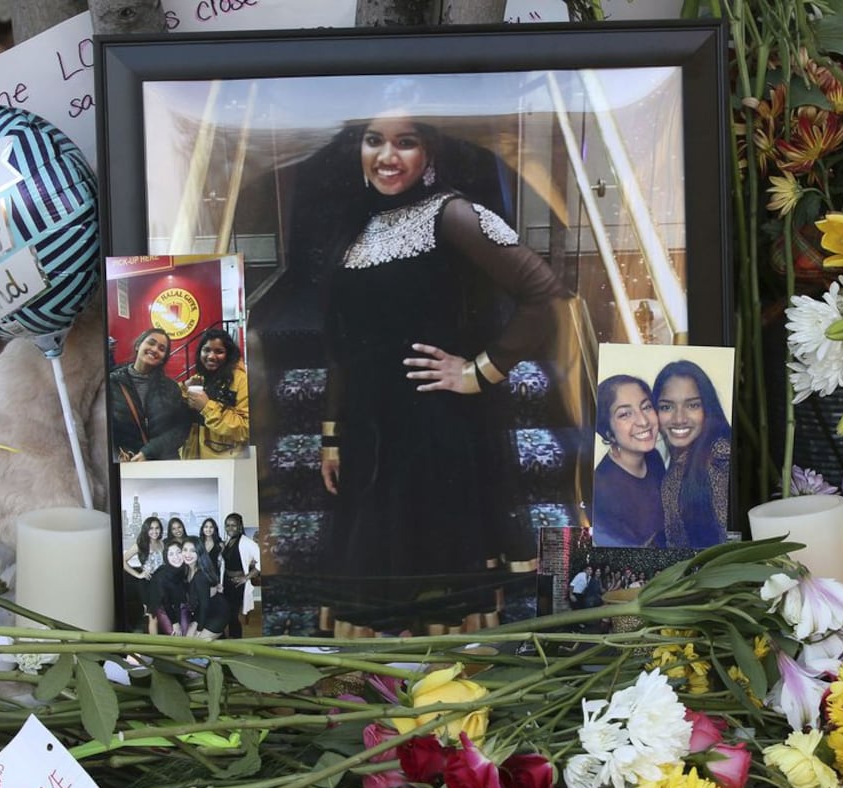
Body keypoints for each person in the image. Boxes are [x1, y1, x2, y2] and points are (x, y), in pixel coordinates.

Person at [310, 98, 564, 622]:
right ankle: (379, 689)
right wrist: (332, 433)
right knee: (373, 564)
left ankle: (442, 687)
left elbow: (545, 300)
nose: (387, 155)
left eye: (406, 142)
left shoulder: (451, 213)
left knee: (433, 567)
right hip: (367, 428)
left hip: (431, 427)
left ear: (430, 151)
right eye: (374, 140)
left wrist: (477, 373)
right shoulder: (356, 226)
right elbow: (343, 344)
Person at [653, 360, 733, 548]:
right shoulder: (678, 461)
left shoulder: (720, 461)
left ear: (707, 408)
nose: (679, 419)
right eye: (667, 407)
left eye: (692, 405)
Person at [590, 374, 666, 548]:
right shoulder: (601, 491)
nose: (643, 421)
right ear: (608, 431)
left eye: (646, 407)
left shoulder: (653, 457)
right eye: (625, 414)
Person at [108, 327, 190, 462]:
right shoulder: (112, 383)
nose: (155, 349)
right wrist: (117, 455)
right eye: (151, 343)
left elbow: (180, 430)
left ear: (164, 358)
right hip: (129, 464)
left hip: (164, 463)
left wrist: (149, 452)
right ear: (138, 345)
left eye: (162, 349)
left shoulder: (171, 387)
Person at [181, 327, 250, 459]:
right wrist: (184, 388)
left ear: (228, 354)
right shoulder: (200, 378)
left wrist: (207, 407)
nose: (211, 356)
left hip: (225, 464)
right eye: (206, 350)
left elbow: (246, 428)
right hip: (194, 460)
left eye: (219, 351)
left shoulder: (241, 381)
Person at [219, 513, 262, 639]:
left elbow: (262, 560)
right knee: (225, 612)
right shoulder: (228, 541)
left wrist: (246, 577)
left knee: (232, 614)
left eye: (234, 525)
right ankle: (226, 638)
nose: (230, 528)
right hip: (226, 582)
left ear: (239, 526)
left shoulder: (246, 542)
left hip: (237, 584)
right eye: (227, 525)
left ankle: (236, 639)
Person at [121, 516, 165, 628]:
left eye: (157, 528)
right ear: (146, 529)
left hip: (161, 583)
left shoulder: (162, 543)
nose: (154, 531)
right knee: (153, 617)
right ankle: (153, 644)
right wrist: (138, 575)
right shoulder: (140, 545)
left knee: (162, 614)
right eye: (151, 528)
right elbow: (122, 560)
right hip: (148, 583)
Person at [182, 537, 223, 638]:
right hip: (201, 612)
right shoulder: (187, 569)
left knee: (197, 645)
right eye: (185, 550)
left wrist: (199, 630)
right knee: (187, 642)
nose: (187, 554)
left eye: (193, 551)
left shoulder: (200, 576)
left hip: (216, 613)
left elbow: (205, 605)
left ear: (199, 552)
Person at [150, 539, 188, 635]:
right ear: (166, 557)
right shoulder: (161, 575)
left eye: (178, 552)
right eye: (171, 554)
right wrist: (175, 623)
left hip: (180, 605)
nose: (176, 557)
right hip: (164, 607)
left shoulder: (185, 569)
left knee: (186, 633)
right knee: (175, 634)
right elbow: (165, 601)